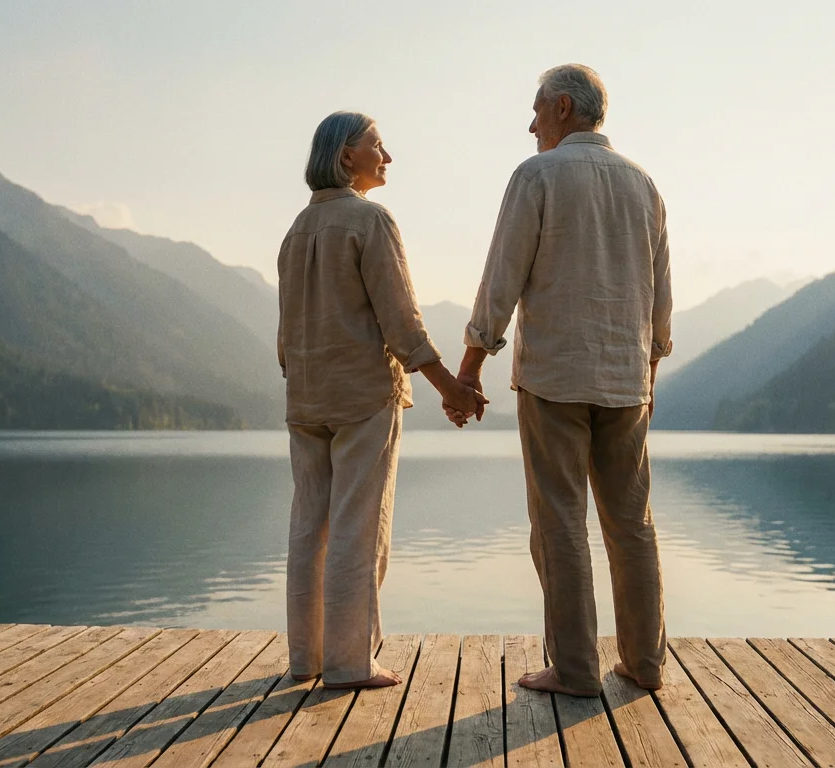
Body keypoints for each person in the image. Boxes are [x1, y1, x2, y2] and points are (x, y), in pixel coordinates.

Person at [454, 64, 673, 696]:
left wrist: (470, 368)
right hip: (627, 382)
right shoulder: (644, 185)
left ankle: (575, 669)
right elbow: (660, 296)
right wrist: (649, 370)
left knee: (560, 523)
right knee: (632, 525)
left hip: (554, 376)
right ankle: (645, 662)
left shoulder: (537, 176)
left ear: (564, 109)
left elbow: (502, 280)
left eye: (536, 109)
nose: (530, 123)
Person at [278, 111, 487, 689]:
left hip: (305, 399)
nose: (387, 157)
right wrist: (453, 388)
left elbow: (284, 333)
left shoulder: (295, 231)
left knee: (308, 525)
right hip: (364, 396)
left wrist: (299, 377)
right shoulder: (370, 221)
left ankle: (307, 658)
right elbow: (402, 323)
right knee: (357, 528)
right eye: (377, 146)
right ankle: (348, 663)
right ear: (348, 156)